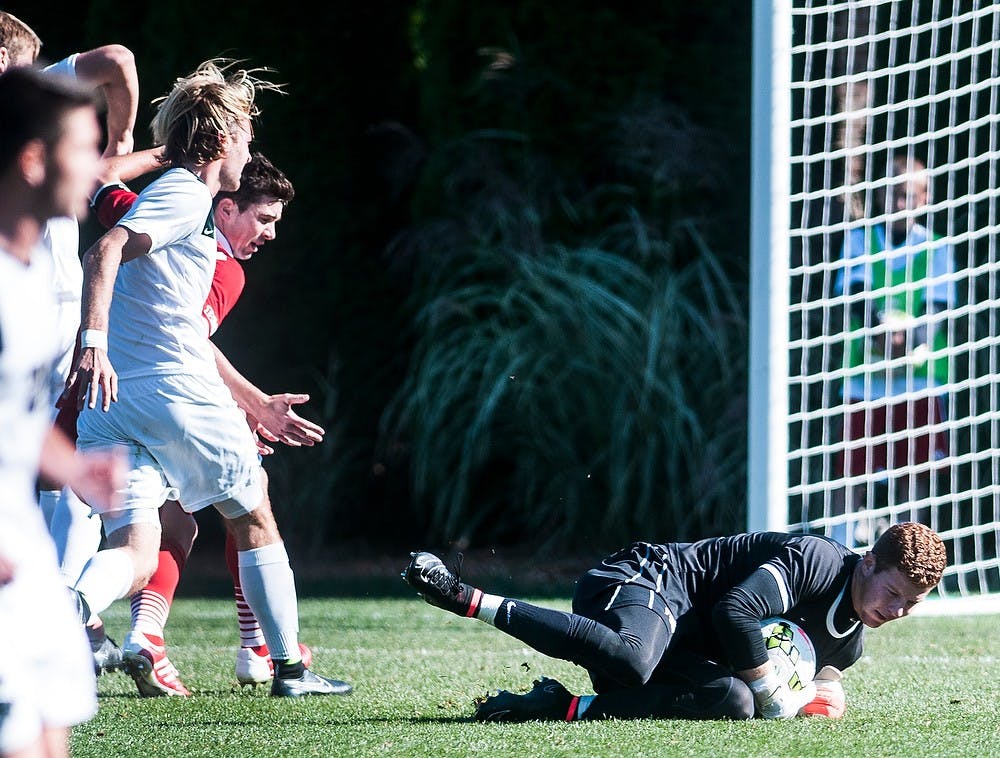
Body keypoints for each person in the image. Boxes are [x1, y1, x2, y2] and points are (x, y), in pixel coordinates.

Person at [65, 58, 351, 698]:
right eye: (246, 133)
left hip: (113, 402)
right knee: (254, 516)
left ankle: (67, 608)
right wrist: (94, 340)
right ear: (223, 138)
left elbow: (102, 185)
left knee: (140, 552)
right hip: (173, 390)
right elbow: (104, 249)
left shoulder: (164, 191)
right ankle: (289, 667)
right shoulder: (189, 195)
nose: (252, 148)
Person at [403, 522, 946, 721]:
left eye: (911, 605)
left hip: (678, 636)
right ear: (868, 563)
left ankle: (557, 705)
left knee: (731, 702)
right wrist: (773, 691)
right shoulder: (819, 561)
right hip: (652, 580)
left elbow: (829, 671)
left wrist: (823, 696)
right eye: (894, 593)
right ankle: (464, 595)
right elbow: (735, 611)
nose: (896, 611)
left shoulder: (852, 638)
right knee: (634, 660)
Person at [0, 12, 142, 663]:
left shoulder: (31, 275)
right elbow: (115, 56)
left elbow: (16, 421)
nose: (106, 169)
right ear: (33, 158)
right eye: (86, 150)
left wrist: (74, 467)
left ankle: (71, 618)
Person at [832, 156, 957, 548]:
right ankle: (838, 548)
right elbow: (853, 296)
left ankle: (909, 555)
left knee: (915, 476)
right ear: (879, 197)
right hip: (864, 381)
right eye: (893, 194)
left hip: (917, 379)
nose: (900, 203)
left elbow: (938, 308)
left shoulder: (936, 247)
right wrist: (879, 332)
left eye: (909, 195)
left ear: (924, 199)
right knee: (851, 472)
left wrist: (912, 340)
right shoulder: (859, 240)